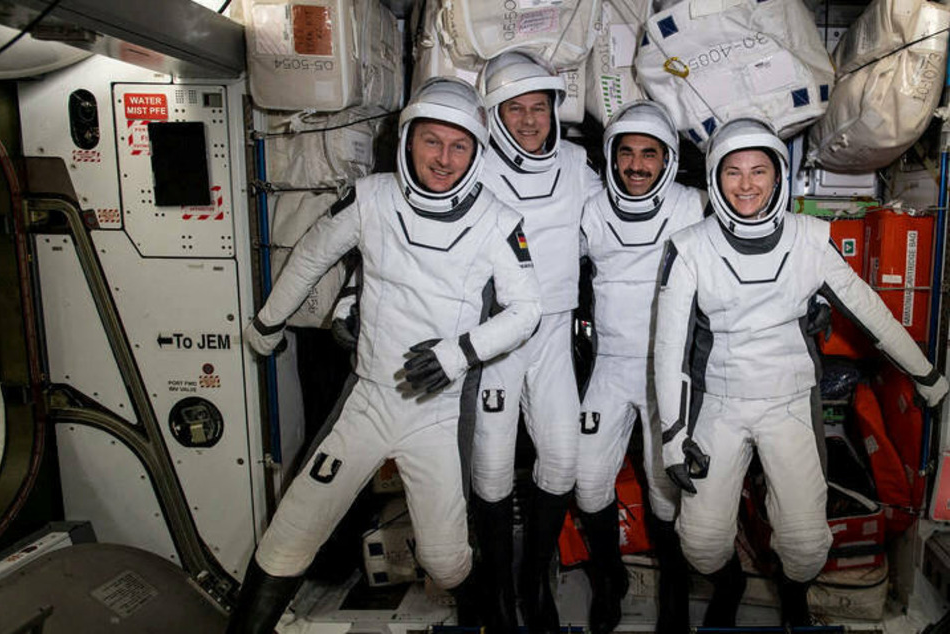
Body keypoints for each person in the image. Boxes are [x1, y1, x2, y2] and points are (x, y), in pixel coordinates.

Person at [229, 77, 542, 634]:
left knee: (446, 559)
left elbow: (527, 311)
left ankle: (488, 618)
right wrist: (267, 322)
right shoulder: (372, 197)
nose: (444, 159)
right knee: (290, 535)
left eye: (459, 145)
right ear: (408, 140)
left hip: (437, 413)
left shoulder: (499, 220)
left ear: (476, 150)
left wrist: (457, 354)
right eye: (431, 142)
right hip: (368, 401)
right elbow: (311, 254)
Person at [653, 117, 950, 628]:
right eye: (733, 172)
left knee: (807, 546)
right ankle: (732, 581)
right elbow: (668, 347)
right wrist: (674, 435)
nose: (746, 184)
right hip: (718, 404)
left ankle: (793, 598)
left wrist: (926, 373)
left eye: (759, 171)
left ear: (777, 177)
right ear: (715, 178)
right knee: (700, 546)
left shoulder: (812, 239)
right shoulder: (689, 246)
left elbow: (871, 311)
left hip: (789, 402)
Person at [471, 50, 601, 634]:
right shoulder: (470, 167)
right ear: (494, 115)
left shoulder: (576, 164)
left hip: (552, 330)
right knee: (493, 471)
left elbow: (618, 225)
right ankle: (500, 591)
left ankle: (534, 578)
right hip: (495, 337)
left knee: (564, 462)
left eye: (538, 107)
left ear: (554, 109)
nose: (528, 120)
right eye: (514, 109)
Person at [577, 100, 704, 634]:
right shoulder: (590, 207)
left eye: (649, 154)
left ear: (668, 160)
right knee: (585, 482)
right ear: (610, 155)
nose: (635, 164)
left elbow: (754, 245)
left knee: (664, 490)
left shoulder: (695, 206)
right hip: (608, 366)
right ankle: (610, 580)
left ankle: (674, 594)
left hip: (666, 373)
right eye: (625, 152)